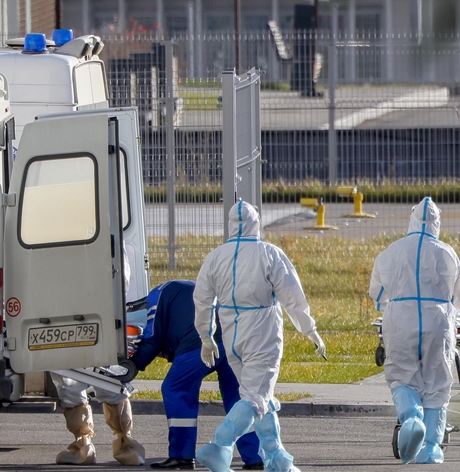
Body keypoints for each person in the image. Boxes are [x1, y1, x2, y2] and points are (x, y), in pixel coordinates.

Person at [193, 201, 325, 472]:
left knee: (260, 396)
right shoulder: (269, 253)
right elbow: (293, 298)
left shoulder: (215, 257)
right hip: (262, 334)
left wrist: (206, 336)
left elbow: (202, 299)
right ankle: (219, 445)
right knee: (255, 399)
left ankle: (277, 458)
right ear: (256, 223)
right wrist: (310, 330)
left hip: (232, 335)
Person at [369, 197, 460, 464]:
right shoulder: (447, 253)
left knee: (401, 375)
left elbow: (377, 292)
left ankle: (412, 418)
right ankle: (432, 447)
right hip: (438, 321)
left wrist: (392, 304)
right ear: (437, 223)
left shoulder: (392, 251)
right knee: (437, 382)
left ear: (412, 220)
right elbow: (459, 296)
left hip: (401, 321)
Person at [130, 280, 265, 470]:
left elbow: (152, 338)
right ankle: (256, 457)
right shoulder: (180, 288)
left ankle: (182, 456)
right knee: (239, 398)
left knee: (176, 389)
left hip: (200, 342)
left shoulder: (154, 299)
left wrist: (131, 366)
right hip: (235, 339)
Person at [50, 242, 145, 466]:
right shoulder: (107, 233)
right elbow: (122, 278)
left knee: (69, 378)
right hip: (103, 314)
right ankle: (125, 445)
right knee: (107, 376)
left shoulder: (57, 234)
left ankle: (83, 446)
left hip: (65, 315)